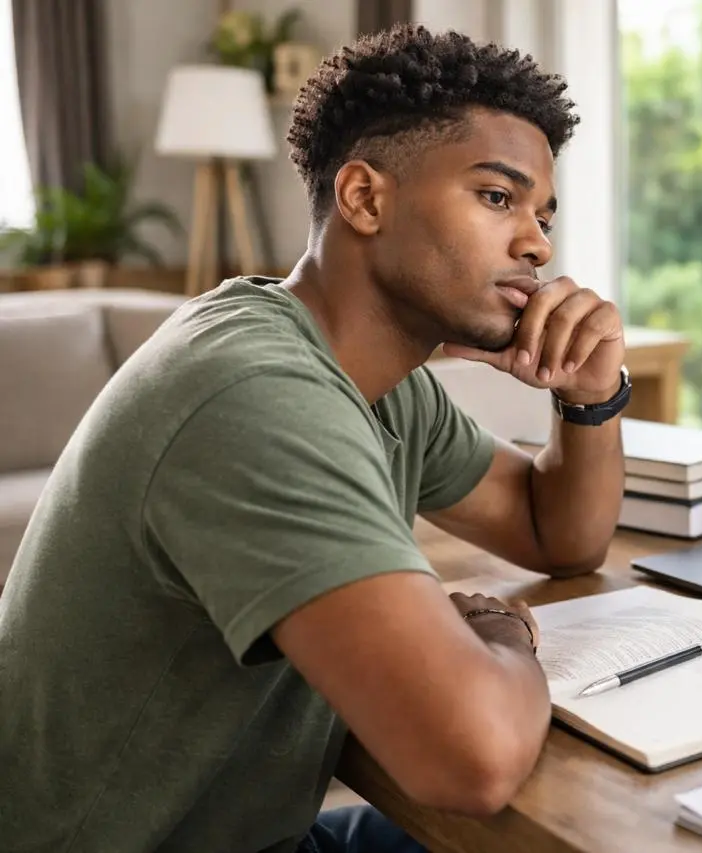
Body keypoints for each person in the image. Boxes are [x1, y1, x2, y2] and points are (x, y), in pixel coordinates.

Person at [0, 23, 628, 853]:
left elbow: (558, 534)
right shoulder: (254, 392)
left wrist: (592, 397)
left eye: (543, 214)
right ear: (364, 198)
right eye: (496, 197)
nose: (538, 243)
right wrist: (501, 633)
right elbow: (470, 759)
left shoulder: (380, 383)